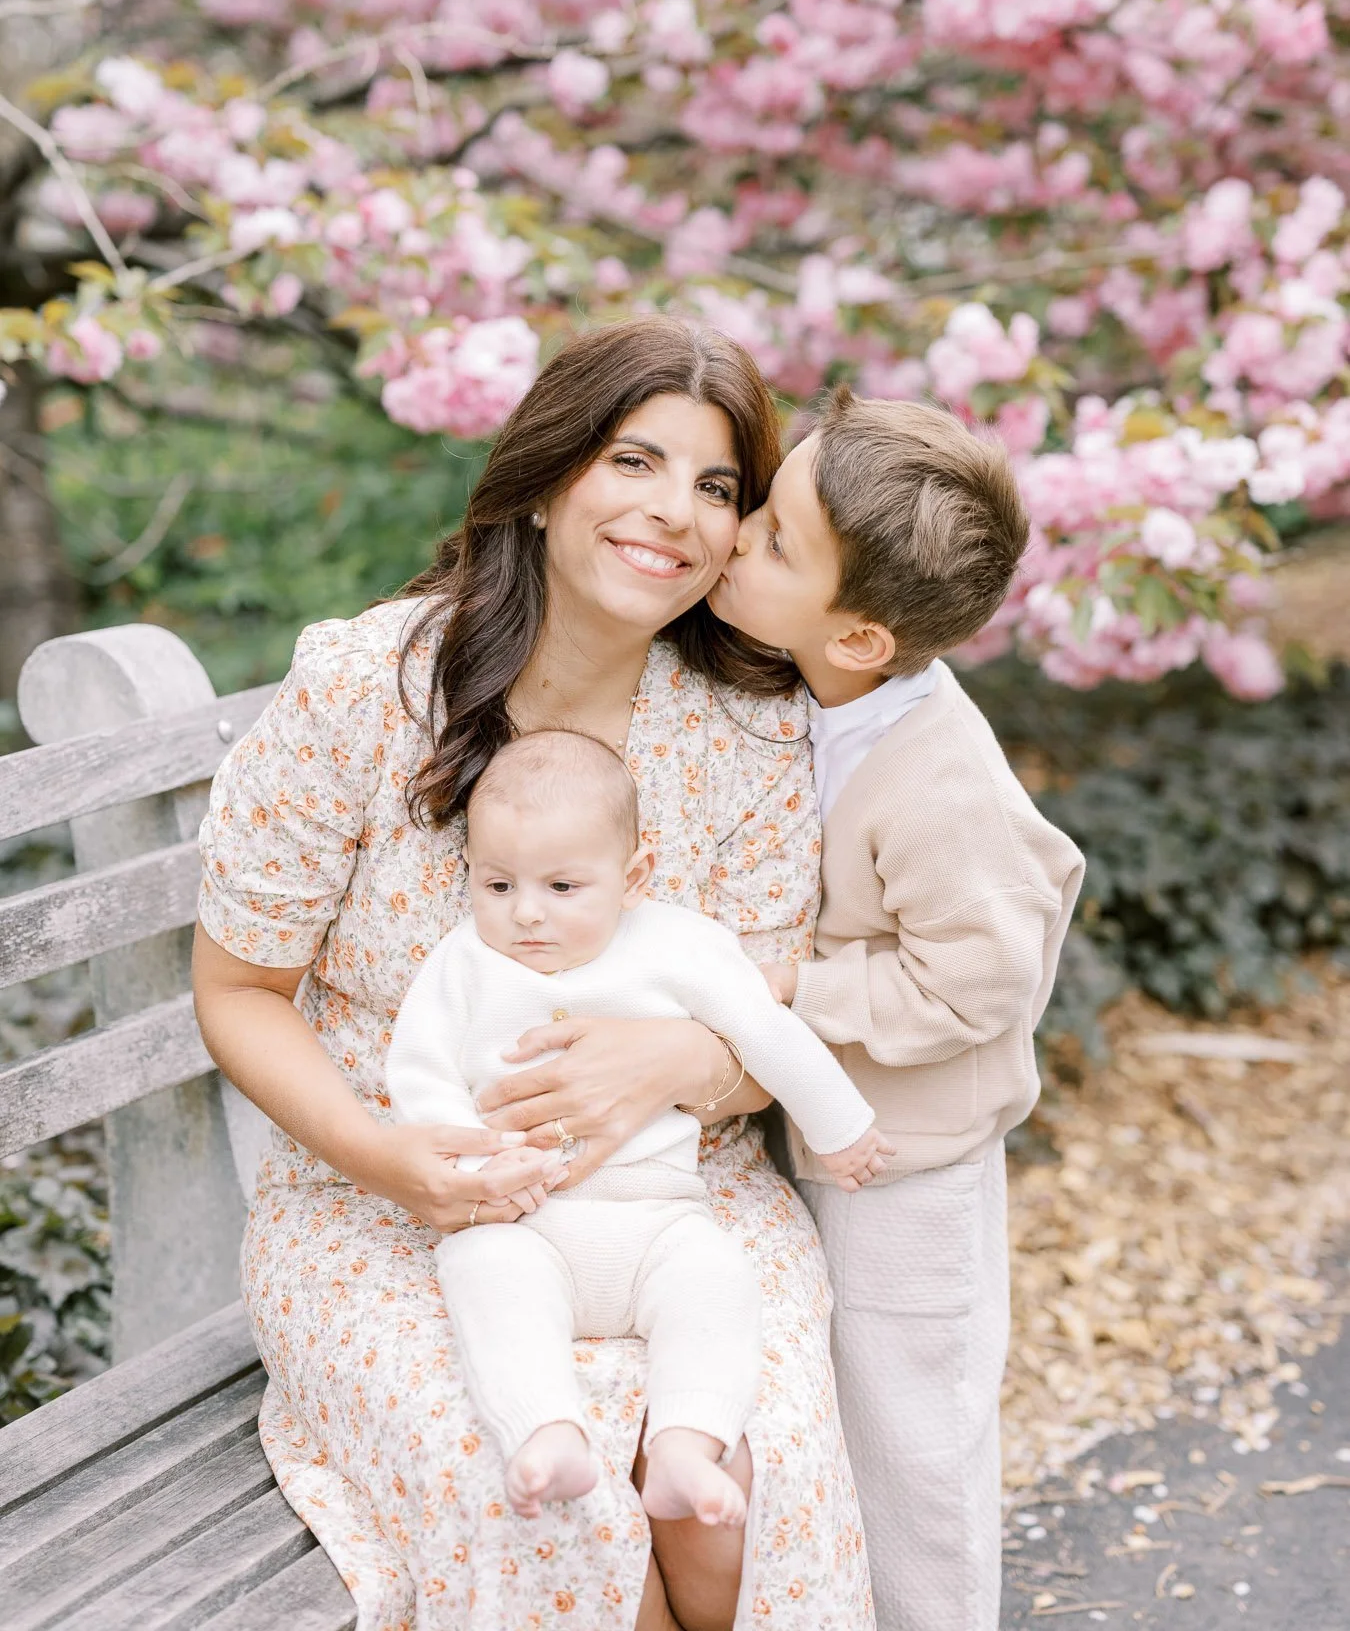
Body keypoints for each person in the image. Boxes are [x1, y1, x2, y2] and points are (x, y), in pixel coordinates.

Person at [191, 321, 875, 1631]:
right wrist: (390, 1154)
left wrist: (681, 1065)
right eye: (636, 460)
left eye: (718, 487)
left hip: (684, 1201)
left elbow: (765, 990)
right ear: (552, 472)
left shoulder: (745, 725)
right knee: (554, 1512)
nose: (674, 512)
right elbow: (238, 994)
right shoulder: (366, 693)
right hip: (395, 1211)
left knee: (747, 1480)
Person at [710, 388, 1086, 1631]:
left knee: (914, 1448)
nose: (737, 536)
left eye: (772, 539)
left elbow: (976, 979)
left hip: (912, 1172)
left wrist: (793, 986)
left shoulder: (935, 775)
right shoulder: (819, 696)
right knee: (838, 1424)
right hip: (840, 1136)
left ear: (860, 635)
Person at [387, 728, 888, 1526]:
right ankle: (547, 1433)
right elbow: (420, 1075)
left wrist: (839, 1125)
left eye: (561, 886)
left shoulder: (678, 946)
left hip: (657, 1216)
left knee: (717, 1283)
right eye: (497, 885)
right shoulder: (461, 965)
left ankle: (687, 1448)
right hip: (525, 1217)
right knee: (485, 1279)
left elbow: (765, 1030)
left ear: (634, 878)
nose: (526, 915)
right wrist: (478, 1167)